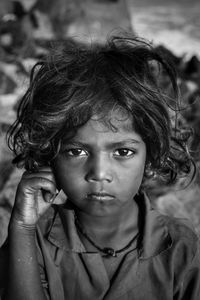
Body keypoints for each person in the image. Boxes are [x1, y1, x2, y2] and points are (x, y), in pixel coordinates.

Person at [0, 31, 200, 300]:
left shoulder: (182, 247)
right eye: (77, 151)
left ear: (150, 156)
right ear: (51, 155)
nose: (99, 173)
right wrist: (22, 228)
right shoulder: (31, 237)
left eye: (123, 151)